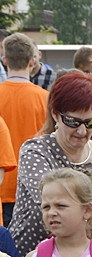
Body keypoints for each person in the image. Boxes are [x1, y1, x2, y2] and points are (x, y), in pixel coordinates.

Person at [10, 71, 92, 257]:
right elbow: (54, 199)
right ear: (56, 114)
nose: (82, 131)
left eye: (91, 122)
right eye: (73, 122)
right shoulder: (36, 151)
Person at [0, 33, 50, 226]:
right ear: (32, 62)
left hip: (3, 186)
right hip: (34, 186)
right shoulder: (46, 99)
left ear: (4, 60)